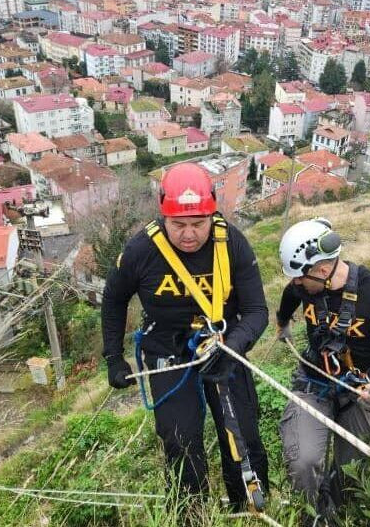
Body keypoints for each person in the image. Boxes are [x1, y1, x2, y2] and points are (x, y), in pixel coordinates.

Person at [101, 162, 269, 511]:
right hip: (167, 348)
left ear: (212, 213)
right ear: (163, 216)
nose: (189, 235)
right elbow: (114, 300)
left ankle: (248, 510)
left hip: (222, 343)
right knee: (181, 440)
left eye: (198, 224)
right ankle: (191, 515)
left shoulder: (231, 243)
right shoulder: (141, 250)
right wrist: (114, 358)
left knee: (243, 437)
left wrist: (232, 346)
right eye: (178, 225)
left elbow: (256, 311)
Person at [275, 218, 370, 524]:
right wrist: (283, 323)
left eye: (301, 278)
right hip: (312, 383)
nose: (296, 284)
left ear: (322, 270)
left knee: (352, 468)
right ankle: (312, 517)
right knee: (304, 462)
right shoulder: (304, 286)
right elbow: (289, 296)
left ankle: (335, 512)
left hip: (359, 389)